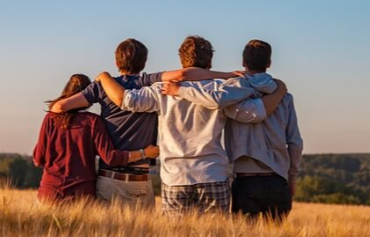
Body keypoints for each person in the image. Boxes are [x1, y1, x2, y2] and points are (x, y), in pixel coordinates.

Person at [96, 36, 287, 215]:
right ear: (210, 62)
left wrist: (104, 77)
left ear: (182, 61)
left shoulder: (162, 89)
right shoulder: (222, 88)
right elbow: (254, 112)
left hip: (175, 176)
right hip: (213, 173)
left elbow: (126, 100)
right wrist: (279, 91)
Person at [49, 38, 241, 208]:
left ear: (117, 62)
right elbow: (183, 75)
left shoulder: (102, 87)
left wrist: (93, 118)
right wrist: (226, 75)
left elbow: (58, 108)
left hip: (109, 178)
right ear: (144, 62)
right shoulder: (148, 82)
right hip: (141, 179)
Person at [163, 39, 303, 221]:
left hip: (245, 181)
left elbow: (216, 101)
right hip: (278, 180)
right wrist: (291, 179)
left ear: (243, 63)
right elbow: (295, 143)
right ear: (269, 63)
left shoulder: (231, 92)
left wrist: (180, 90)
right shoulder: (284, 97)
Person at [33, 74, 159, 204]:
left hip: (49, 192)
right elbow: (110, 157)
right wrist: (144, 153)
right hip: (81, 195)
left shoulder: (51, 118)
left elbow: (38, 159)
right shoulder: (93, 121)